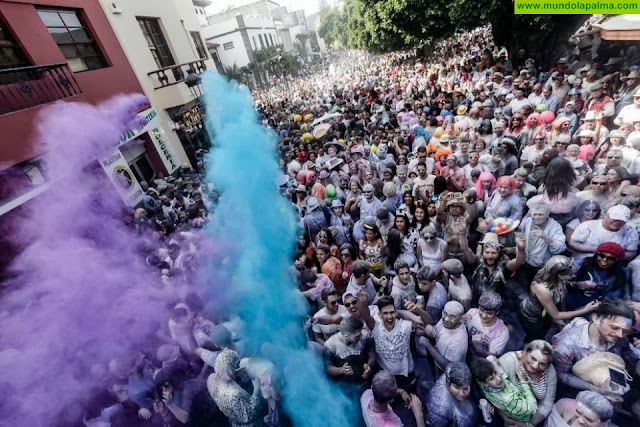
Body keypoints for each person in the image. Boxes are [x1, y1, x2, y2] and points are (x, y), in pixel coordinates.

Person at [552, 299, 640, 400]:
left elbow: (635, 360)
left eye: (625, 331)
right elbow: (561, 375)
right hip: (574, 397)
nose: (620, 335)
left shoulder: (620, 339)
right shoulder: (567, 343)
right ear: (596, 318)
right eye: (614, 328)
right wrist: (599, 391)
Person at [519, 256, 600, 343]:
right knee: (536, 338)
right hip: (533, 317)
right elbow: (556, 315)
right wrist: (585, 310)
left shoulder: (557, 279)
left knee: (544, 330)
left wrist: (574, 285)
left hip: (546, 314)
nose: (573, 276)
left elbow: (562, 295)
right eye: (570, 274)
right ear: (558, 274)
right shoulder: (542, 289)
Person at [499, 340, 558, 425]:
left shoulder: (550, 371)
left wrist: (529, 424)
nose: (535, 366)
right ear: (525, 351)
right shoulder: (508, 362)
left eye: (542, 363)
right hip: (508, 414)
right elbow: (494, 392)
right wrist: (506, 419)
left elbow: (548, 402)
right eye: (533, 358)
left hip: (535, 418)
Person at [471, 357, 538, 425]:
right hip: (523, 416)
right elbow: (532, 408)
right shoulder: (508, 399)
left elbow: (490, 360)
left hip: (513, 410)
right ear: (484, 383)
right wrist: (523, 383)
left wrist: (493, 360)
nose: (499, 379)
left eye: (496, 372)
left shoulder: (482, 383)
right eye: (491, 379)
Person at [206, 349, 262, 427]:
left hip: (233, 420)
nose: (237, 366)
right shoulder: (233, 395)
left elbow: (222, 374)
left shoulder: (211, 378)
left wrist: (234, 373)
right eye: (234, 366)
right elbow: (248, 415)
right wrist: (256, 390)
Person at [566, 243, 630, 311]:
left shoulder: (623, 273)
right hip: (573, 306)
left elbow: (622, 295)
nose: (604, 260)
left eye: (611, 258)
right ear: (597, 255)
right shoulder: (581, 265)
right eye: (601, 255)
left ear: (617, 261)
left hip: (602, 309)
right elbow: (561, 281)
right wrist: (575, 285)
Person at [568, 204, 639, 261]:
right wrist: (598, 250)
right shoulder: (587, 225)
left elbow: (631, 253)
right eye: (614, 219)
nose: (617, 222)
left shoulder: (631, 232)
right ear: (606, 215)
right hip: (584, 260)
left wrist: (612, 255)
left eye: (622, 220)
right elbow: (573, 243)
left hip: (613, 263)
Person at [519, 203, 567, 285]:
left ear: (547, 215)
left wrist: (546, 237)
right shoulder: (528, 221)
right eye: (534, 214)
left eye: (540, 214)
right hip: (525, 262)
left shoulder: (555, 227)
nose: (537, 217)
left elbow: (560, 248)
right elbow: (521, 234)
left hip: (542, 268)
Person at [360, 370, 425, 427]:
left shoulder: (366, 395)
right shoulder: (392, 425)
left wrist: (401, 391)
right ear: (391, 400)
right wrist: (419, 415)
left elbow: (381, 390)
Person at [418, 301, 468, 373]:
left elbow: (448, 366)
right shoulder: (446, 321)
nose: (447, 319)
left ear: (460, 319)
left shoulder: (459, 341)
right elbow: (437, 330)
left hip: (444, 372)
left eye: (452, 316)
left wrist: (428, 345)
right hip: (436, 358)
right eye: (445, 313)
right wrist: (430, 329)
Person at [324, 316, 376, 385]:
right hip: (344, 385)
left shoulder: (366, 336)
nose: (361, 335)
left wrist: (369, 365)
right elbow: (328, 368)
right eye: (357, 336)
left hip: (365, 381)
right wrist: (341, 370)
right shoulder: (330, 345)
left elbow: (373, 356)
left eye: (361, 332)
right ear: (346, 336)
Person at [424, 362, 478, 427]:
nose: (461, 393)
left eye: (465, 388)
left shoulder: (451, 375)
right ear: (448, 383)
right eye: (456, 387)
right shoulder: (438, 406)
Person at [464, 291, 509, 358]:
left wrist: (479, 346)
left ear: (497, 312)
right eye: (481, 310)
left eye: (489, 313)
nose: (484, 316)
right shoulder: (472, 313)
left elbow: (491, 357)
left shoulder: (502, 333)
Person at [545, 390, 614, 427]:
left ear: (605, 422)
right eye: (578, 412)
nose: (580, 420)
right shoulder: (564, 406)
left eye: (589, 419)